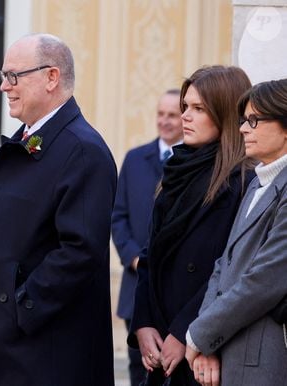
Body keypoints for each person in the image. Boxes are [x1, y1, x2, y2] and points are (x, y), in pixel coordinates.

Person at [0, 33, 117, 386]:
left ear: (51, 77)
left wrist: (19, 307)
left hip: (36, 353)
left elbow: (80, 251)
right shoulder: (24, 141)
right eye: (2, 76)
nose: (3, 87)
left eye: (13, 76)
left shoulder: (83, 150)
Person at [128, 65, 255, 386]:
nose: (185, 116)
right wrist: (143, 324)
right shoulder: (175, 171)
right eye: (185, 106)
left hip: (204, 344)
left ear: (225, 114)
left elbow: (229, 271)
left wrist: (184, 331)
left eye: (198, 109)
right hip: (158, 336)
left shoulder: (243, 182)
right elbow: (151, 253)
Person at [185, 79, 287, 386]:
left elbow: (265, 279)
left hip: (264, 354)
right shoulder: (258, 181)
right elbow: (223, 265)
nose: (243, 128)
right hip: (231, 346)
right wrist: (205, 335)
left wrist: (199, 335)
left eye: (254, 120)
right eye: (243, 120)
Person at [112, 89, 183, 386]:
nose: (164, 122)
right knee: (137, 366)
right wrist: (133, 258)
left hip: (175, 287)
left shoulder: (189, 160)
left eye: (172, 115)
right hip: (136, 284)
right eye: (160, 114)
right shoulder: (134, 158)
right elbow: (118, 216)